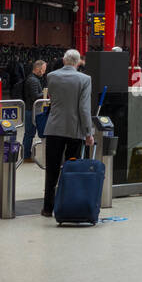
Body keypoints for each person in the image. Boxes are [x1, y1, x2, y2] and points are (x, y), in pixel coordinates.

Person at [41, 49, 95, 217]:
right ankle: (68, 203)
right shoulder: (85, 79)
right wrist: (88, 132)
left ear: (64, 60)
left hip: (54, 128)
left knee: (52, 169)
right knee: (71, 168)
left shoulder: (51, 76)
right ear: (78, 62)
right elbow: (84, 108)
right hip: (74, 130)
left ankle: (47, 208)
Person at [21, 60, 47, 163]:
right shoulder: (32, 80)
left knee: (29, 133)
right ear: (38, 68)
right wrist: (45, 93)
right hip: (31, 111)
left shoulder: (33, 79)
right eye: (43, 69)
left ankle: (26, 154)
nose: (44, 72)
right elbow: (35, 96)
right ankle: (26, 155)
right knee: (29, 134)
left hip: (32, 110)